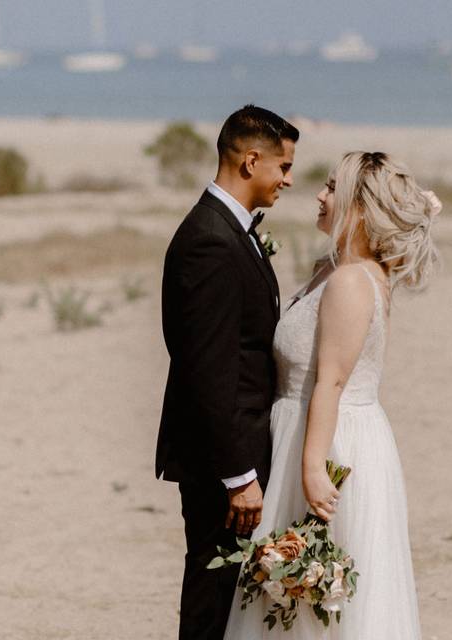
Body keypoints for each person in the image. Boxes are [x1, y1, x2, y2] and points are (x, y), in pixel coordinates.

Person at [224, 151, 440, 639]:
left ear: (359, 207)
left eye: (330, 188)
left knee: (316, 594)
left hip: (329, 441)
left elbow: (332, 382)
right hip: (314, 432)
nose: (318, 196)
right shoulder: (341, 265)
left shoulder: (349, 281)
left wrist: (313, 467)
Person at [156, 105, 298, 640]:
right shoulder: (210, 242)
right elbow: (206, 371)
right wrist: (238, 476)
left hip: (237, 453)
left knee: (234, 598)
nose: (286, 180)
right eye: (282, 167)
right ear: (251, 161)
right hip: (223, 462)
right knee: (213, 601)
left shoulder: (230, 232)